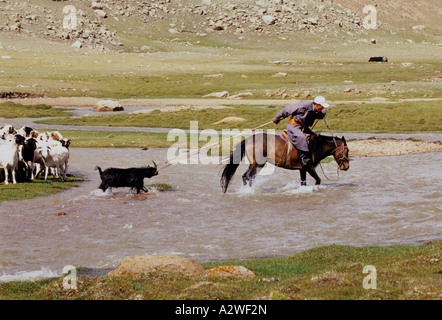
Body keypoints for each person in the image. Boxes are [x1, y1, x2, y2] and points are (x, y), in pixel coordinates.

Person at [272, 96, 330, 166]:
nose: (322, 108)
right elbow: (287, 109)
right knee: (301, 137)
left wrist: (323, 113)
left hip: (303, 127)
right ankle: (302, 158)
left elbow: (317, 115)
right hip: (293, 126)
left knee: (314, 136)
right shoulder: (303, 105)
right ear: (317, 104)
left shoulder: (316, 110)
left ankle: (311, 155)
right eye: (322, 106)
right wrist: (276, 118)